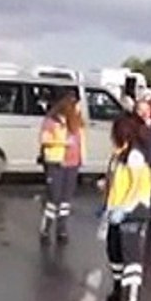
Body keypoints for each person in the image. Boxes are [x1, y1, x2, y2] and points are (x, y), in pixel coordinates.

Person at [101, 115, 151, 301]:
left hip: (133, 210)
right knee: (114, 250)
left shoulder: (135, 155)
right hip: (116, 208)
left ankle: (131, 299)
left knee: (130, 253)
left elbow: (137, 183)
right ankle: (118, 289)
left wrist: (125, 208)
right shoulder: (119, 154)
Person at [39, 94, 86, 242]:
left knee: (66, 198)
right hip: (56, 162)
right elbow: (44, 139)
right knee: (54, 197)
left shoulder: (77, 123)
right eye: (76, 106)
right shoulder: (52, 121)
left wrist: (82, 157)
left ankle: (62, 229)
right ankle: (46, 228)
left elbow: (81, 141)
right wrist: (62, 142)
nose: (79, 109)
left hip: (73, 163)